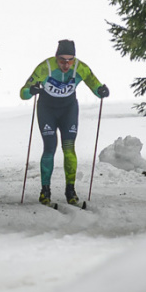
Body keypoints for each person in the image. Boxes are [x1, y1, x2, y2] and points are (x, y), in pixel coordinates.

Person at [19, 39, 109, 207]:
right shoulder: (45, 67)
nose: (66, 65)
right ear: (56, 58)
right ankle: (45, 190)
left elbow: (95, 86)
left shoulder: (80, 67)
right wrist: (31, 90)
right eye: (62, 60)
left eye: (70, 60)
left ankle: (70, 190)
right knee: (49, 148)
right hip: (47, 110)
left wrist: (101, 90)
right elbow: (23, 93)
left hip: (68, 110)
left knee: (69, 149)